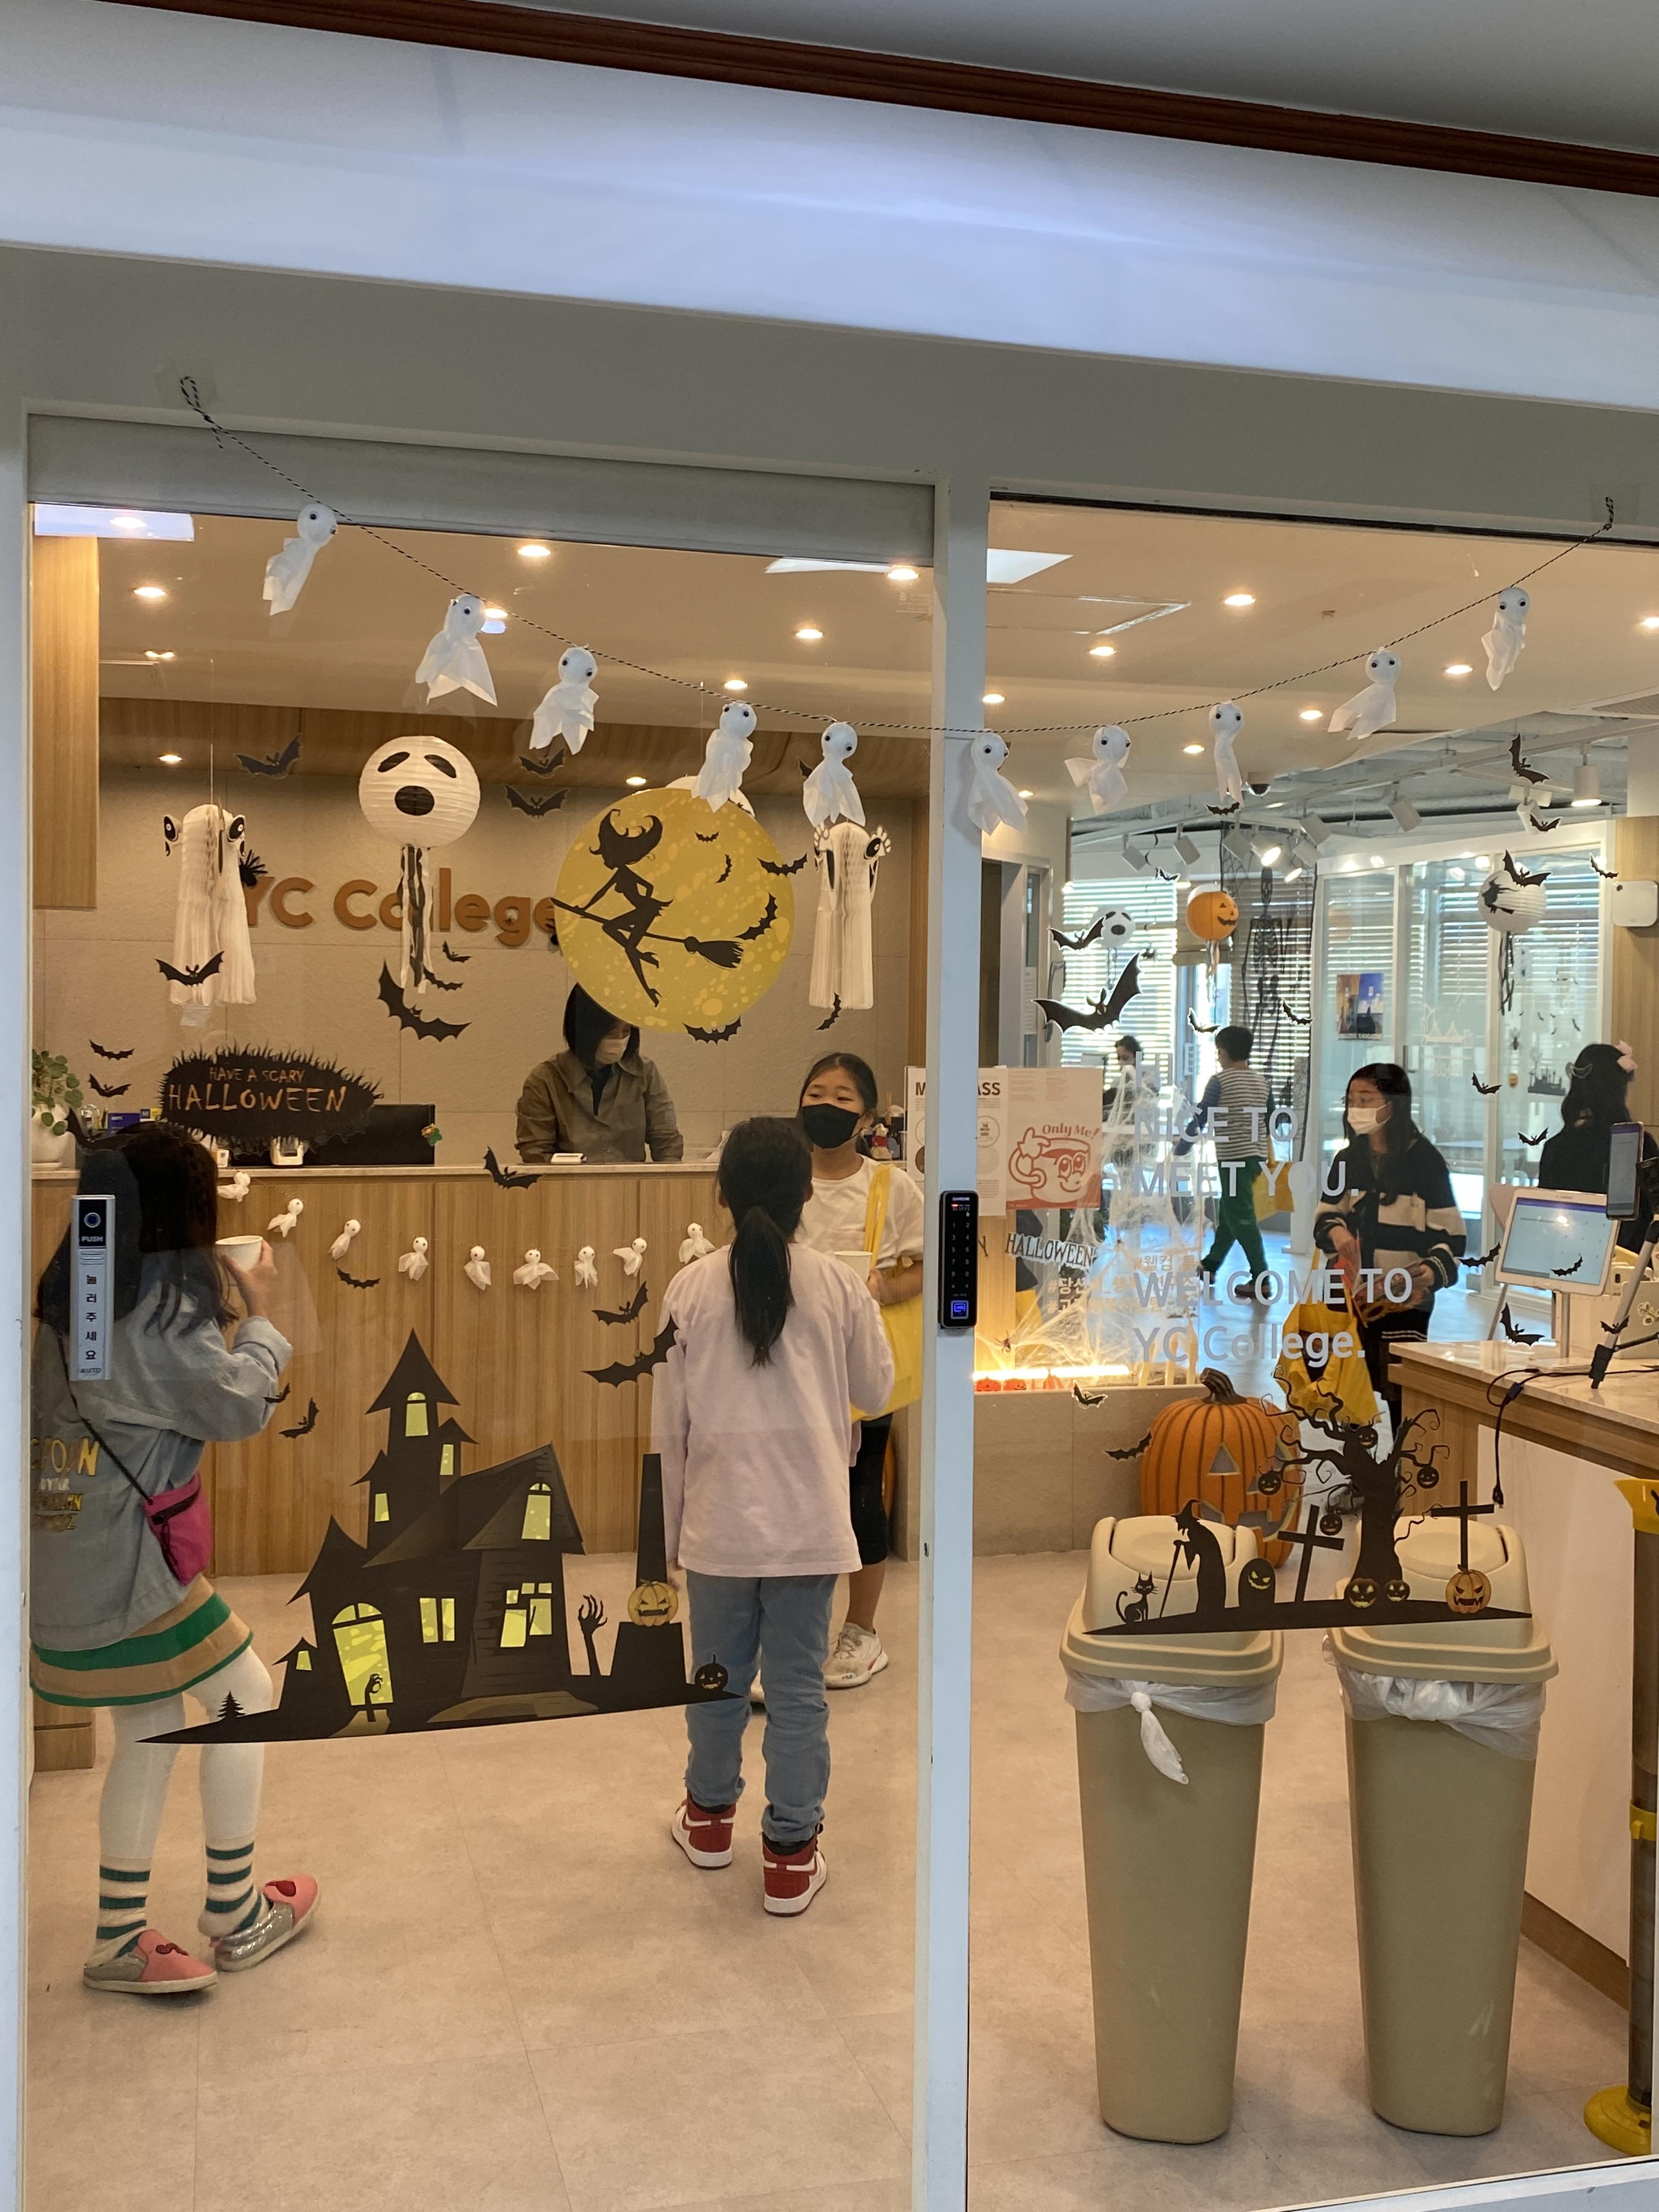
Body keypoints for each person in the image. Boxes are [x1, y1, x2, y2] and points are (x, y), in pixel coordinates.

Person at [30, 1124, 317, 1995]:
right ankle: (234, 1910)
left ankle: (119, 1938)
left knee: (150, 1728)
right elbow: (238, 1406)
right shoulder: (157, 1313)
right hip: (134, 1575)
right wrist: (260, 1313)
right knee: (245, 1695)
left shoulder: (70, 1300)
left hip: (65, 1568)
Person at [657, 1117, 892, 1916]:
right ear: (806, 1197)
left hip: (717, 1527)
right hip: (810, 1526)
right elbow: (877, 1387)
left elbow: (668, 1430)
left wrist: (669, 1540)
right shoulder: (837, 1285)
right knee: (797, 1694)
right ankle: (791, 1858)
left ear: (721, 1195)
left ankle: (708, 1823)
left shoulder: (690, 1289)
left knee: (716, 1683)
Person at [796, 1053, 924, 1690]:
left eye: (843, 1098)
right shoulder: (784, 1178)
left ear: (868, 1116)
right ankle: (793, 1630)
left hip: (862, 1366)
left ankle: (862, 1632)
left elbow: (927, 1266)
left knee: (860, 1490)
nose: (827, 1106)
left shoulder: (892, 1188)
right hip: (790, 1364)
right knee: (794, 1495)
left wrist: (881, 1288)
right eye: (816, 1093)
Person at [1313, 1064, 1466, 1422]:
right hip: (1347, 1294)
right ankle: (1356, 1458)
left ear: (1393, 1104)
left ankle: (1404, 1457)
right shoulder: (1347, 1159)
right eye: (1351, 1100)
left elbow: (1451, 1236)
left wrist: (1430, 1271)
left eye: (1366, 1100)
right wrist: (1337, 1233)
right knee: (1346, 1392)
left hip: (1402, 1301)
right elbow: (1324, 1217)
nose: (1356, 1109)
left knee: (1401, 1394)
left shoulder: (1425, 1161)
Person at [515, 983, 684, 1163]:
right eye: (610, 1033)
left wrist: (666, 1175)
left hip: (630, 1180)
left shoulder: (645, 1072)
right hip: (570, 1181)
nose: (619, 1040)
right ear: (584, 1030)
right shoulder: (545, 1080)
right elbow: (536, 1155)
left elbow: (667, 1141)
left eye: (627, 1031)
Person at [1174, 1025, 1272, 1300]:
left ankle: (1261, 1278)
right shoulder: (1262, 1082)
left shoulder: (1220, 1081)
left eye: (1219, 1052)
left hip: (1233, 1157)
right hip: (1256, 1157)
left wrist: (1182, 1146)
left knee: (1242, 1217)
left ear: (1225, 1052)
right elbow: (1272, 1119)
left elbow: (1201, 1115)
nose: (1218, 1057)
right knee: (1230, 1212)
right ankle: (1210, 1266)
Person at [1538, 1041, 1654, 1251]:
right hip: (1630, 1265)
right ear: (1619, 1090)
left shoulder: (1555, 1148)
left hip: (1567, 1261)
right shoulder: (1640, 1145)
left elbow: (1547, 1222)